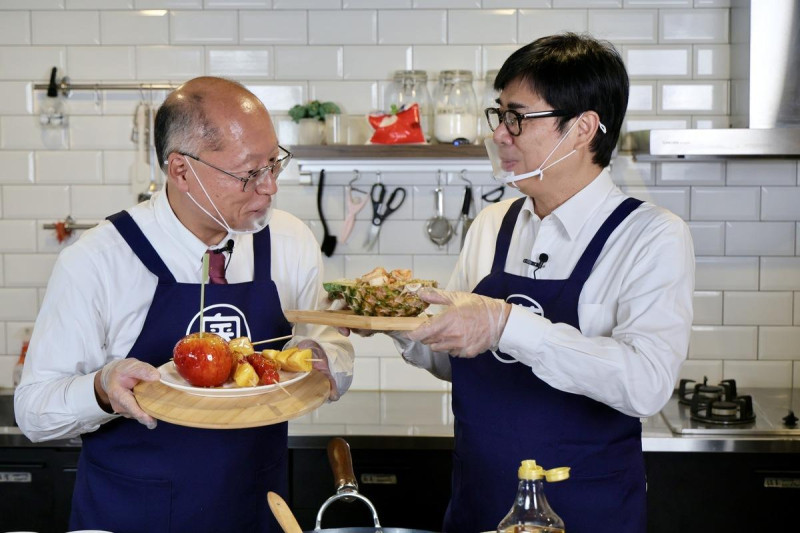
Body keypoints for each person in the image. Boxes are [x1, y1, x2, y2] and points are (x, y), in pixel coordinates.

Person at [351, 33, 694, 532]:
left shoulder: (652, 236)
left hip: (586, 513)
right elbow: (456, 360)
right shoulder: (492, 223)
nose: (499, 134)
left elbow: (645, 385)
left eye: (518, 117)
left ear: (582, 129)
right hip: (478, 505)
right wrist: (395, 321)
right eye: (499, 115)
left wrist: (507, 323)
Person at [14, 76, 354, 533]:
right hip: (132, 514)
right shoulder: (98, 259)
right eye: (249, 172)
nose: (270, 187)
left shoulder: (290, 240)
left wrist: (328, 360)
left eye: (274, 164)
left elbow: (329, 342)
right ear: (180, 170)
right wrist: (101, 387)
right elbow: (34, 411)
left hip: (254, 507)